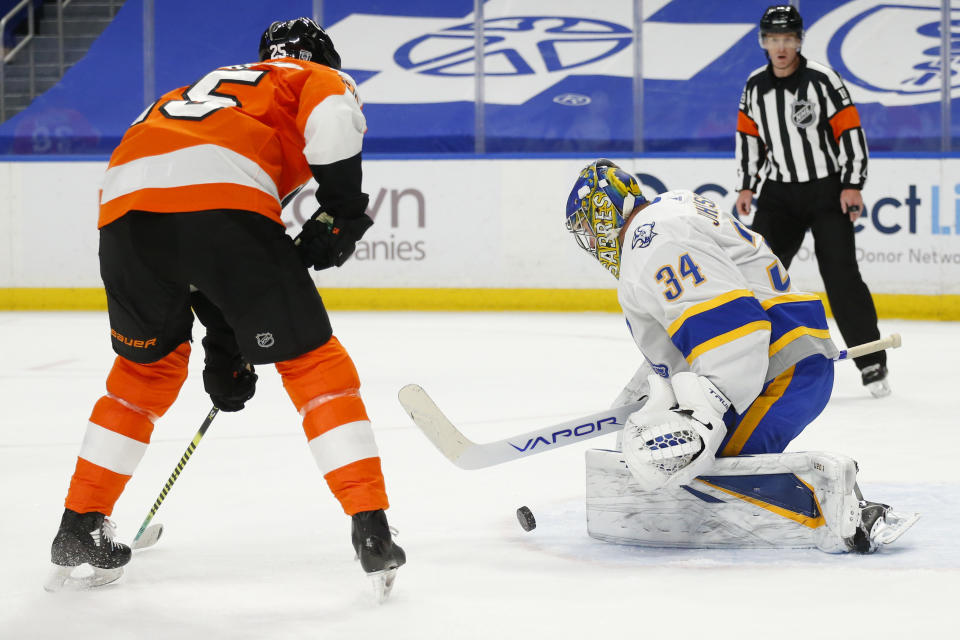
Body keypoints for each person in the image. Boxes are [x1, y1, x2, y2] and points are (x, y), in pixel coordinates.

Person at [45, 17, 405, 597]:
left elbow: (201, 251)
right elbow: (332, 123)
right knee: (312, 363)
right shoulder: (311, 77)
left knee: (143, 372)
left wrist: (227, 348)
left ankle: (78, 523)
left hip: (123, 214)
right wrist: (341, 210)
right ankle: (371, 526)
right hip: (220, 207)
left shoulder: (199, 88)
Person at [564, 159, 916, 553]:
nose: (592, 242)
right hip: (783, 361)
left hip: (775, 371)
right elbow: (692, 333)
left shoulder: (650, 241)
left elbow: (735, 330)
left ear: (604, 210)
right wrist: (649, 395)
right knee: (675, 459)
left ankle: (842, 506)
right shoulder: (671, 210)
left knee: (683, 469)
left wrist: (701, 418)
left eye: (588, 227)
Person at [734, 5, 890, 398]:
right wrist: (747, 186)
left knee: (841, 276)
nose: (781, 47)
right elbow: (750, 139)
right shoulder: (755, 86)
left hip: (826, 190)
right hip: (779, 194)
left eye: (788, 38)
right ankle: (745, 361)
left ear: (799, 40)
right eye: (773, 39)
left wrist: (853, 183)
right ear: (763, 43)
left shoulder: (822, 79)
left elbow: (850, 130)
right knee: (756, 274)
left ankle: (871, 360)